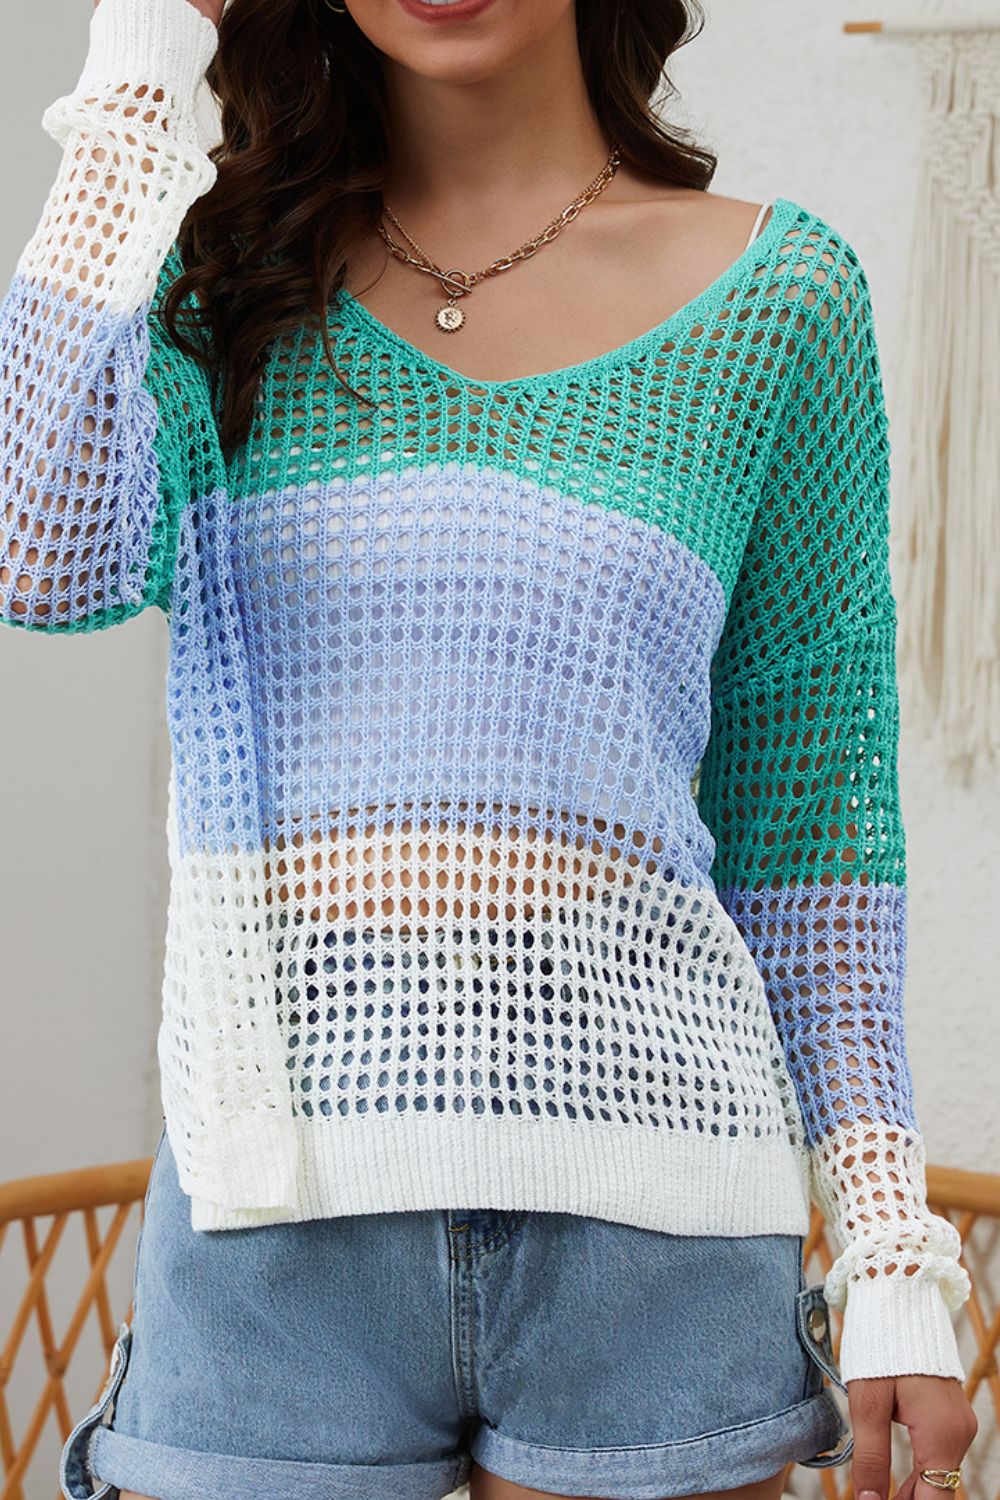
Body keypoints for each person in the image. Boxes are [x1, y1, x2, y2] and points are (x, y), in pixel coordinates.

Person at [0, 0, 980, 1498]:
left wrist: (892, 1252)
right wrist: (144, 47)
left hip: (654, 1228)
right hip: (275, 1225)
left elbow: (812, 835)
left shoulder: (779, 300)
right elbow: (38, 548)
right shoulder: (219, 277)